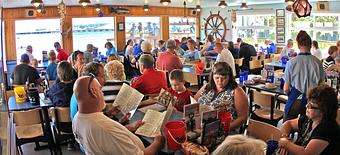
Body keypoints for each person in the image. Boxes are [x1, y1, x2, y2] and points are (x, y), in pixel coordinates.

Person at [72, 76, 163, 155]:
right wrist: (158, 142)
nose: (102, 93)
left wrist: (128, 126)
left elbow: (106, 141)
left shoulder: (77, 120)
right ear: (93, 92)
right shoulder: (105, 128)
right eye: (100, 89)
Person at [278, 85, 340, 155]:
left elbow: (307, 153)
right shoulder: (311, 119)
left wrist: (286, 144)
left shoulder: (327, 128)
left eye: (310, 105)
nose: (306, 106)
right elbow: (288, 124)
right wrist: (285, 137)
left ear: (323, 110)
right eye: (308, 103)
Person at [194, 62, 248, 134]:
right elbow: (194, 101)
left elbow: (243, 117)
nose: (219, 81)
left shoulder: (236, 91)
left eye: (224, 78)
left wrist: (223, 129)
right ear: (212, 76)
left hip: (224, 130)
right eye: (217, 78)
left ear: (229, 77)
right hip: (201, 126)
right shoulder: (207, 87)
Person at [282, 30, 324, 121]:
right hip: (312, 103)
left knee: (287, 124)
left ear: (298, 45)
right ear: (310, 45)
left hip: (295, 100)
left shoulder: (291, 62)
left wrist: (290, 94)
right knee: (307, 127)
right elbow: (321, 86)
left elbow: (286, 89)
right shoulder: (318, 63)